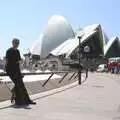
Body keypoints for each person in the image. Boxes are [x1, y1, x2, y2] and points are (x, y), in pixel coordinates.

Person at [5, 38, 36, 106]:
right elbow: (7, 62)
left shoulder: (17, 51)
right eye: (16, 43)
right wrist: (8, 71)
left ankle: (27, 100)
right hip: (10, 70)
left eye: (18, 43)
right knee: (18, 84)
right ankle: (18, 101)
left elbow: (18, 62)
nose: (17, 44)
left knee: (21, 85)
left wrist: (20, 72)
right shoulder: (8, 51)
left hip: (16, 70)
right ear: (12, 43)